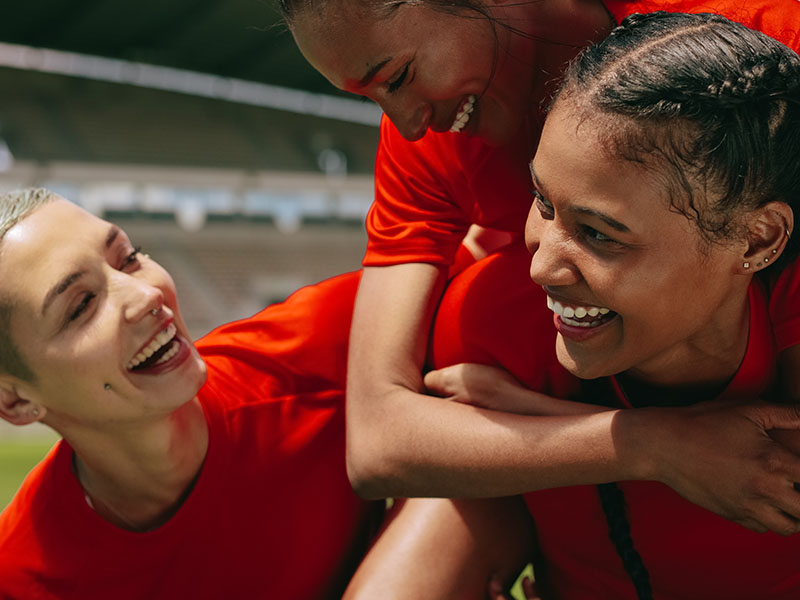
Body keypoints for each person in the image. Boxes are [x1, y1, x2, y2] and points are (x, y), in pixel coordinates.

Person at [282, 0, 800, 532]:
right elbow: (379, 444)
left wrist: (526, 415)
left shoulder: (767, 55)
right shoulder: (429, 147)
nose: (407, 126)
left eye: (399, 75)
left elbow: (760, 458)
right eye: (541, 201)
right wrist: (656, 443)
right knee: (475, 310)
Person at [0, 188, 379, 599]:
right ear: (14, 401)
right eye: (82, 305)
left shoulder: (327, 343)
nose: (146, 295)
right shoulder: (19, 580)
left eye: (129, 258)